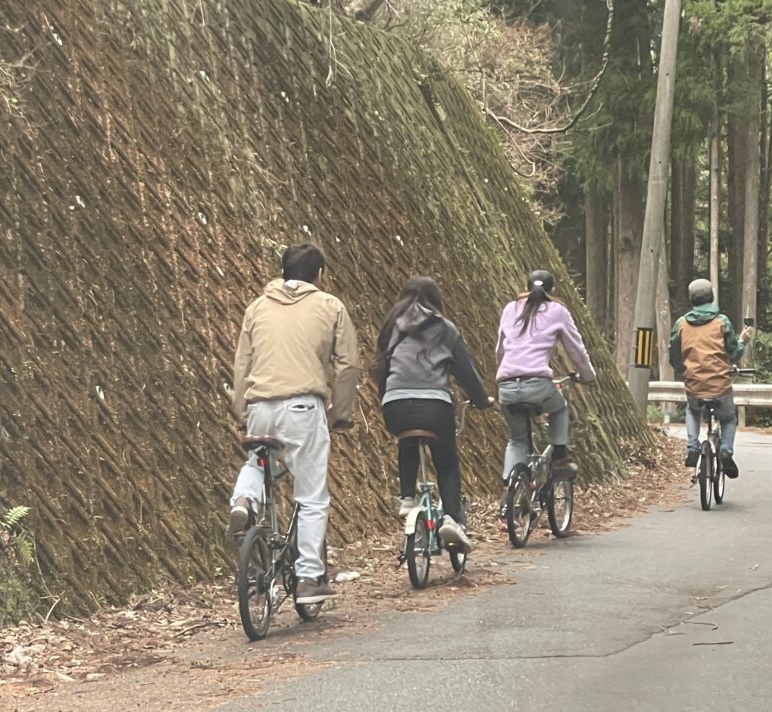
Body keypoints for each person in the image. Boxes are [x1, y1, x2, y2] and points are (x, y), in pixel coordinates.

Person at [228, 243, 359, 607]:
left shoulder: (256, 307)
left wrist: (243, 410)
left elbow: (243, 365)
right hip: (303, 407)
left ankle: (243, 499)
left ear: (283, 271)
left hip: (260, 406)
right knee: (312, 495)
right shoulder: (330, 306)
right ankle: (307, 579)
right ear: (320, 275)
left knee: (257, 462)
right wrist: (340, 413)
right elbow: (348, 365)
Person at [370, 276, 492, 553]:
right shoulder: (445, 329)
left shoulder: (392, 326)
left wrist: (387, 400)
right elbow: (465, 372)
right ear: (436, 301)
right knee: (446, 461)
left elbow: (382, 367)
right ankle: (453, 519)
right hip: (435, 406)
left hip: (395, 405)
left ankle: (407, 499)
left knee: (408, 439)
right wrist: (482, 400)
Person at [495, 269, 595, 485]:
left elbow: (500, 350)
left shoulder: (510, 308)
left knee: (517, 438)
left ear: (526, 287)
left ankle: (511, 487)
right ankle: (560, 458)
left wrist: (506, 373)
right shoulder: (557, 311)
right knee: (559, 408)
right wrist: (586, 376)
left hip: (507, 386)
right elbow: (576, 349)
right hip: (538, 384)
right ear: (552, 289)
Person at [668, 278, 745, 478]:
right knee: (728, 419)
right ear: (711, 297)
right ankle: (726, 450)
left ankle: (693, 447)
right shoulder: (722, 322)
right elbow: (733, 352)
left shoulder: (682, 324)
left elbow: (674, 355)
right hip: (720, 386)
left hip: (694, 385)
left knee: (693, 411)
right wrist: (743, 342)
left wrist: (682, 369)